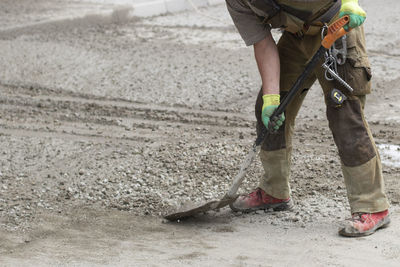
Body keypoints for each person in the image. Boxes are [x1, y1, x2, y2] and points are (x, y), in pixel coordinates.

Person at [225, 0, 390, 237]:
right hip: (296, 36)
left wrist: (350, 2)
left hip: (337, 26)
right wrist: (272, 99)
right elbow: (262, 43)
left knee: (344, 113)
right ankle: (274, 190)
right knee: (271, 108)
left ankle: (372, 206)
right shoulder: (237, 2)